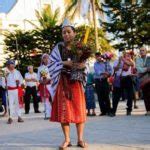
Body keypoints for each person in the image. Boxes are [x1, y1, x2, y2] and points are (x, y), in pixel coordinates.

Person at [48, 19, 87, 148]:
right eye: (64, 32)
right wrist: (65, 63)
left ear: (74, 33)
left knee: (79, 110)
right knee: (64, 111)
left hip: (76, 82)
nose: (66, 34)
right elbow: (51, 64)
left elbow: (84, 64)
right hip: (63, 81)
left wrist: (81, 65)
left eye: (69, 32)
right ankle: (67, 140)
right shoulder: (58, 47)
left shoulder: (80, 46)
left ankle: (80, 139)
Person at [111, 52, 134, 116]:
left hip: (128, 78)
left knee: (130, 95)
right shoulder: (117, 61)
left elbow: (131, 64)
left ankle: (129, 109)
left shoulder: (129, 60)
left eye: (127, 55)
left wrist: (124, 60)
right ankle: (113, 111)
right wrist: (119, 62)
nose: (126, 56)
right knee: (116, 96)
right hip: (119, 79)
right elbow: (115, 69)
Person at [94, 52, 112, 116]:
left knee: (106, 96)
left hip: (105, 81)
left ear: (101, 56)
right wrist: (105, 73)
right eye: (96, 56)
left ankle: (109, 111)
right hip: (98, 81)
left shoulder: (106, 63)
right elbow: (98, 71)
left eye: (99, 56)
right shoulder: (95, 64)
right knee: (100, 97)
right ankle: (103, 111)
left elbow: (111, 71)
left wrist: (108, 74)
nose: (97, 58)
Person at [6, 60, 24, 124]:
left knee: (17, 103)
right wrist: (4, 85)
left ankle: (19, 117)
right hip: (9, 90)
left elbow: (21, 79)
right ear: (8, 65)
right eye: (11, 64)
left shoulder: (17, 72)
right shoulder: (5, 72)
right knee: (10, 104)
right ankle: (10, 118)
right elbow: (3, 80)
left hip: (16, 90)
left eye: (13, 64)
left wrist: (21, 84)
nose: (12, 65)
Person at [136, 47, 150, 116]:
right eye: (140, 50)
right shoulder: (138, 60)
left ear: (146, 51)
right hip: (143, 80)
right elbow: (138, 69)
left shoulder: (149, 58)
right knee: (145, 95)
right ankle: (148, 110)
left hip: (149, 79)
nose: (141, 52)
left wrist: (143, 69)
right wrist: (146, 69)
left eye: (143, 50)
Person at [38, 54, 51, 119]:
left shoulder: (52, 66)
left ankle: (55, 113)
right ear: (42, 60)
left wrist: (49, 79)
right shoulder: (40, 68)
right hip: (45, 85)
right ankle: (48, 114)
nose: (46, 59)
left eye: (47, 58)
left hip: (52, 84)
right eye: (45, 58)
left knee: (54, 99)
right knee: (46, 100)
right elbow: (38, 78)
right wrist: (42, 81)